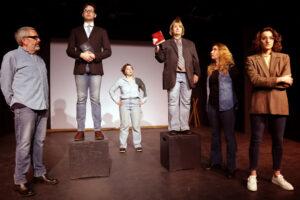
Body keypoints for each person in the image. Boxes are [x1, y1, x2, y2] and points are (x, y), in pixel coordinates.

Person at [0, 26, 58, 197]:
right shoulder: (12, 56)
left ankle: (39, 173)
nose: (39, 39)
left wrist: (46, 104)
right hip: (24, 106)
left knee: (39, 142)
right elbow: (5, 82)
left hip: (42, 106)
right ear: (24, 40)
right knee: (24, 144)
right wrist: (14, 103)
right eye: (35, 37)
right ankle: (20, 180)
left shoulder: (39, 60)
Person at [245, 27, 294, 191]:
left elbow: (288, 83)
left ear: (275, 40)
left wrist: (272, 81)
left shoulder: (284, 57)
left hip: (279, 104)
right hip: (259, 104)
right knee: (256, 141)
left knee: (278, 142)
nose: (267, 40)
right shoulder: (251, 59)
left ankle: (276, 175)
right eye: (264, 38)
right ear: (259, 40)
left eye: (270, 38)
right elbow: (255, 80)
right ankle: (252, 175)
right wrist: (279, 79)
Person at [66, 2, 112, 141]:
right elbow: (69, 50)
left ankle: (97, 130)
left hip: (96, 69)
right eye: (86, 10)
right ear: (82, 14)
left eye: (91, 10)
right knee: (81, 99)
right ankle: (80, 130)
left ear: (95, 14)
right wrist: (81, 55)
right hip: (80, 69)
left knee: (95, 100)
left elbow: (108, 51)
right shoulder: (76, 31)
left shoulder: (101, 31)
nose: (88, 12)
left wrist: (95, 56)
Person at [154, 17, 200, 134]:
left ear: (182, 29)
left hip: (187, 75)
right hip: (173, 75)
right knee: (173, 101)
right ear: (171, 30)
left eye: (179, 27)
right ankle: (174, 127)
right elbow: (161, 59)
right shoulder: (166, 43)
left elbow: (195, 60)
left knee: (186, 102)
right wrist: (157, 49)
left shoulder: (190, 43)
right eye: (175, 26)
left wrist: (197, 73)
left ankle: (184, 127)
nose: (177, 28)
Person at [206, 43, 239, 179]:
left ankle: (231, 167)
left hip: (227, 106)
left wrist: (234, 103)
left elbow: (237, 87)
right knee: (215, 135)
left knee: (229, 137)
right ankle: (215, 162)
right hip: (212, 106)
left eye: (214, 49)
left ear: (222, 52)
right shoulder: (210, 68)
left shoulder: (231, 68)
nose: (211, 51)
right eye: (212, 49)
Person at [109, 64, 147, 153]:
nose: (129, 70)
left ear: (133, 70)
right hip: (124, 103)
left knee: (136, 125)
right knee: (124, 125)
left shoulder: (138, 80)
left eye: (131, 68)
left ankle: (137, 144)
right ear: (124, 71)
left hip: (135, 103)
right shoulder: (120, 81)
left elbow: (145, 90)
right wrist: (116, 100)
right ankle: (123, 145)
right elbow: (111, 90)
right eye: (127, 68)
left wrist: (143, 100)